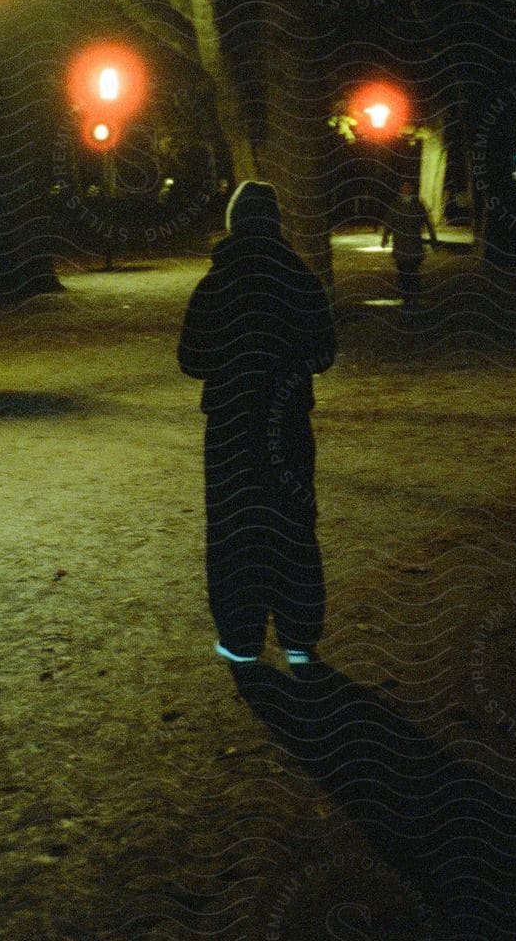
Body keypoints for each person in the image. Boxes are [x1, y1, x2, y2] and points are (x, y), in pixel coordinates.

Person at [178, 180, 336, 670]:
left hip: (230, 426)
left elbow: (191, 358)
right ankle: (299, 638)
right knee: (292, 526)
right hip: (286, 423)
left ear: (233, 223)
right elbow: (324, 352)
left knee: (233, 530)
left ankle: (241, 639)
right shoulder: (299, 278)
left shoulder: (217, 282)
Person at [381, 178, 439, 300]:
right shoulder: (395, 204)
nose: (406, 189)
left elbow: (427, 222)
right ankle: (405, 292)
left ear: (412, 189)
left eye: (408, 187)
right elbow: (389, 222)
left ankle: (412, 291)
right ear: (400, 189)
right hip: (400, 242)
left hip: (414, 242)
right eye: (404, 187)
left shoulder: (418, 204)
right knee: (402, 267)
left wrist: (433, 238)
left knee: (413, 268)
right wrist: (385, 237)